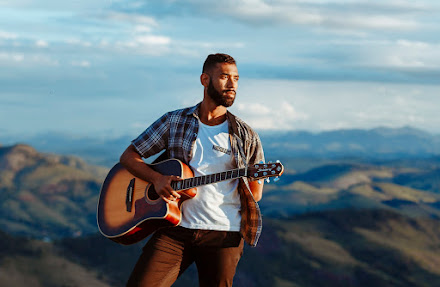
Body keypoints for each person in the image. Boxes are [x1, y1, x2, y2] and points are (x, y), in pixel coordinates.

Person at [120, 53, 265, 287]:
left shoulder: (245, 135)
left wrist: (246, 178)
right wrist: (156, 179)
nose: (232, 85)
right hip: (175, 228)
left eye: (236, 79)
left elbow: (255, 194)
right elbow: (129, 156)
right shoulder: (175, 121)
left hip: (223, 234)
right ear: (205, 80)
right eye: (224, 77)